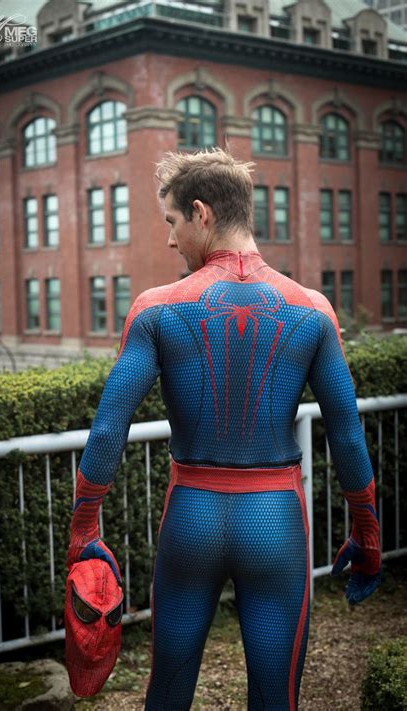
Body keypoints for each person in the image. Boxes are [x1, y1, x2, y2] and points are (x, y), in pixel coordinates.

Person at [67, 148, 381, 710]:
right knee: (275, 697)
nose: (169, 240)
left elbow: (110, 426)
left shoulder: (158, 308)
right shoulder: (311, 310)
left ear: (201, 213)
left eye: (171, 223)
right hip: (276, 525)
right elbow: (347, 435)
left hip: (191, 518)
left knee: (166, 693)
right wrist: (369, 535)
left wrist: (83, 531)